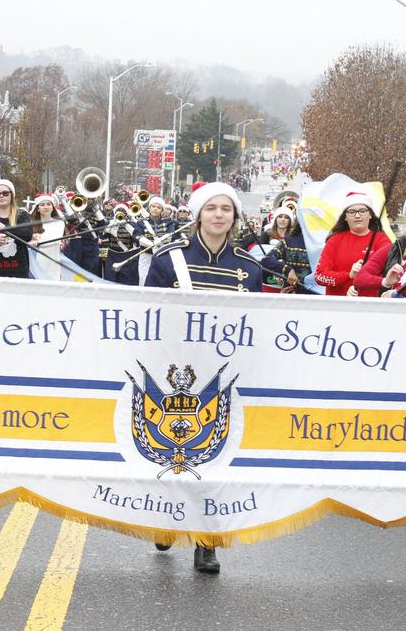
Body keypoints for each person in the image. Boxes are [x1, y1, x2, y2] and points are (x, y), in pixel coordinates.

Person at [145, 181, 261, 574]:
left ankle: (206, 541)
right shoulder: (167, 260)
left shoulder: (249, 266)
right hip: (173, 369)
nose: (218, 215)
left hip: (223, 375)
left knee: (215, 457)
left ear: (234, 217)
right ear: (198, 214)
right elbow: (149, 315)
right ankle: (167, 519)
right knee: (170, 450)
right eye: (211, 208)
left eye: (225, 209)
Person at [313, 191, 391, 297]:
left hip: (369, 306)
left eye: (362, 211)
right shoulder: (334, 240)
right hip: (336, 307)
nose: (357, 215)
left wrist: (364, 280)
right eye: (352, 212)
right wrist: (349, 275)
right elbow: (319, 275)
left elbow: (389, 275)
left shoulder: (381, 240)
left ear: (370, 215)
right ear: (345, 217)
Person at [0, 179, 32, 279]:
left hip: (18, 271)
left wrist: (6, 229)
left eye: (5, 193)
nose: (1, 196)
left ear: (11, 195)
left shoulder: (21, 215)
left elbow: (27, 235)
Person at [258, 207, 310, 292]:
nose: (283, 220)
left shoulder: (321, 243)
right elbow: (266, 260)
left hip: (314, 295)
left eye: (286, 217)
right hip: (288, 293)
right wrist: (287, 270)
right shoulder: (288, 241)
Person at [29, 192, 65, 280]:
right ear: (38, 208)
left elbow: (55, 240)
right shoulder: (31, 224)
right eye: (42, 205)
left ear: (53, 207)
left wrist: (37, 240)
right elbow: (27, 242)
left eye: (49, 204)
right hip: (35, 264)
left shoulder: (59, 223)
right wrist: (31, 241)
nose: (46, 207)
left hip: (53, 264)